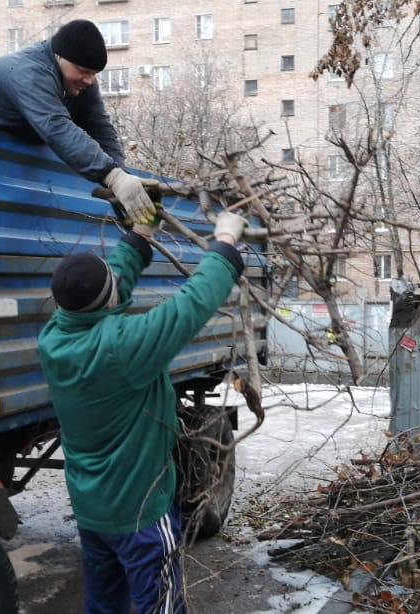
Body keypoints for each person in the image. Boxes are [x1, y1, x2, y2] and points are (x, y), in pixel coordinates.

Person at [37, 211, 249, 614]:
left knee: (103, 604)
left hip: (92, 509)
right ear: (108, 301)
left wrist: (140, 236)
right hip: (140, 515)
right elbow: (192, 304)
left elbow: (106, 286)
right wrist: (224, 240)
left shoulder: (55, 335)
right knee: (163, 606)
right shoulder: (122, 348)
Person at [0, 19, 156, 226]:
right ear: (60, 56)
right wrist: (112, 176)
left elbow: (99, 127)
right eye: (83, 70)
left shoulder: (80, 79)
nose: (89, 80)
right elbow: (57, 128)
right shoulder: (28, 71)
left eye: (94, 73)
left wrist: (121, 177)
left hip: (15, 170)